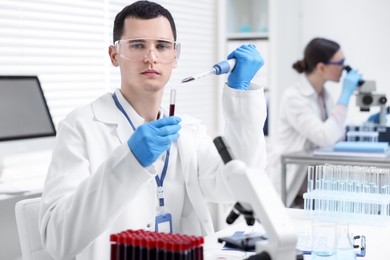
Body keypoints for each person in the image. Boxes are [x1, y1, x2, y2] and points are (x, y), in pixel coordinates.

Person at [38, 1, 266, 259]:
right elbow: (57, 240)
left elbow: (238, 185)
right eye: (137, 45)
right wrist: (128, 161)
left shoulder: (188, 131)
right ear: (114, 55)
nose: (151, 57)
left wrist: (241, 96)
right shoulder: (81, 126)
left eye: (162, 46)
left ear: (175, 57)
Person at [266, 37, 362, 208]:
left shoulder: (324, 96)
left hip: (311, 189)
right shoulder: (294, 97)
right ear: (321, 67)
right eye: (340, 63)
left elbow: (335, 133)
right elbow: (324, 137)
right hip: (290, 188)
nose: (344, 68)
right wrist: (345, 95)